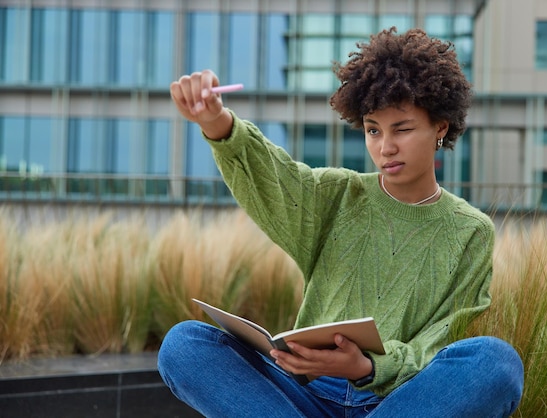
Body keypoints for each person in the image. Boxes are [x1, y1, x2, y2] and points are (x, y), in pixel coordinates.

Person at [158, 27, 524, 417]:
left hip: (399, 401)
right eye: (372, 130)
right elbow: (272, 179)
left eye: (402, 128)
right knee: (185, 344)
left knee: (495, 362)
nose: (385, 147)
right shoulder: (337, 195)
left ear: (440, 126)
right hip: (303, 394)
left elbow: (439, 342)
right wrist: (216, 122)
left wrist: (367, 368)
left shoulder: (470, 231)